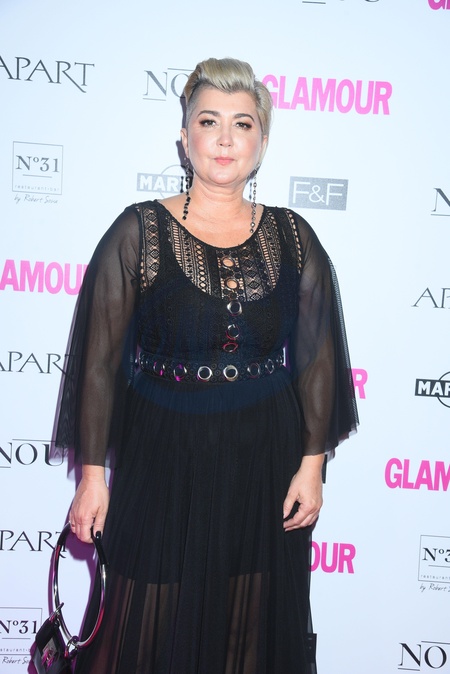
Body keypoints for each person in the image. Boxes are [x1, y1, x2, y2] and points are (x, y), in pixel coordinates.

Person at [56, 57, 358, 674]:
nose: (225, 139)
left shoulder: (293, 236)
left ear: (262, 142)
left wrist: (312, 467)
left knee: (249, 631)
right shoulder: (138, 231)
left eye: (242, 124)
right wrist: (92, 476)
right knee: (139, 629)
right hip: (161, 458)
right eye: (209, 121)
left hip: (264, 463)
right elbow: (99, 363)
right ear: (184, 136)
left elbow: (318, 360)